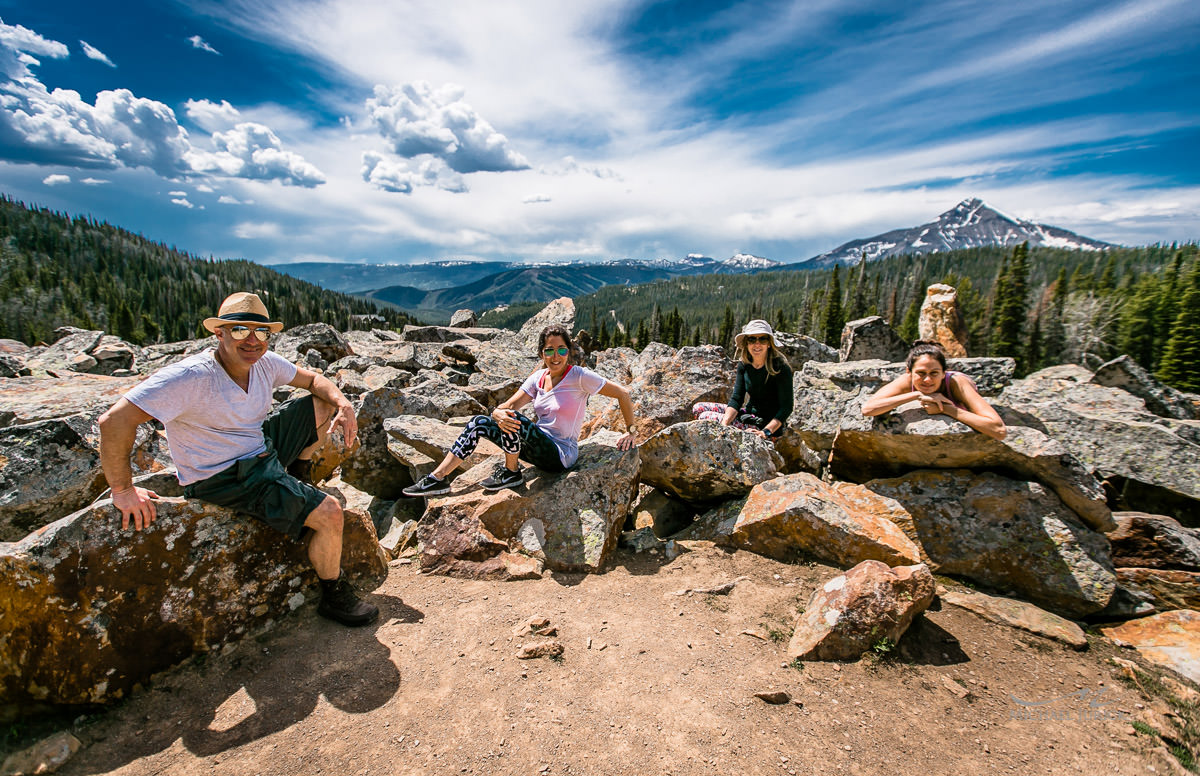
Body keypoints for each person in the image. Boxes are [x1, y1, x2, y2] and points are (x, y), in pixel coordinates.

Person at [98, 292, 378, 626]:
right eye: (240, 330)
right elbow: (114, 421)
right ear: (220, 333)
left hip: (258, 448)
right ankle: (333, 595)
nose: (253, 340)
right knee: (331, 513)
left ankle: (295, 476)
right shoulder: (192, 376)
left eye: (261, 332)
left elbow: (314, 379)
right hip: (225, 476)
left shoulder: (264, 363)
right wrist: (123, 490)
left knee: (322, 402)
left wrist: (344, 404)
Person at [402, 325, 637, 497]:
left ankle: (511, 472)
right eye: (549, 350)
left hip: (561, 454)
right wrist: (496, 413)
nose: (556, 356)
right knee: (478, 422)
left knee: (512, 418)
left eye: (562, 350)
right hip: (535, 445)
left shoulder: (579, 377)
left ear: (569, 351)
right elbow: (509, 405)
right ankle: (437, 478)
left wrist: (631, 431)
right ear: (541, 353)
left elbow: (623, 394)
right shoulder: (538, 378)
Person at [861, 340, 1007, 440]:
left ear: (944, 373)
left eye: (934, 373)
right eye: (921, 373)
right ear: (909, 372)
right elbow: (868, 409)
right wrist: (916, 395)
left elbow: (999, 430)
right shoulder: (907, 380)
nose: (927, 380)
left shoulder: (957, 383)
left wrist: (946, 409)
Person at [692, 319, 794, 439]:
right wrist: (724, 424)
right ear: (746, 343)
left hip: (765, 427)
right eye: (752, 339)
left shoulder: (780, 368)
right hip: (748, 416)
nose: (757, 344)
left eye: (762, 339)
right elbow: (736, 398)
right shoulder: (745, 365)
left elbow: (786, 407)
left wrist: (766, 432)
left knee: (705, 416)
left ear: (769, 343)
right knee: (698, 408)